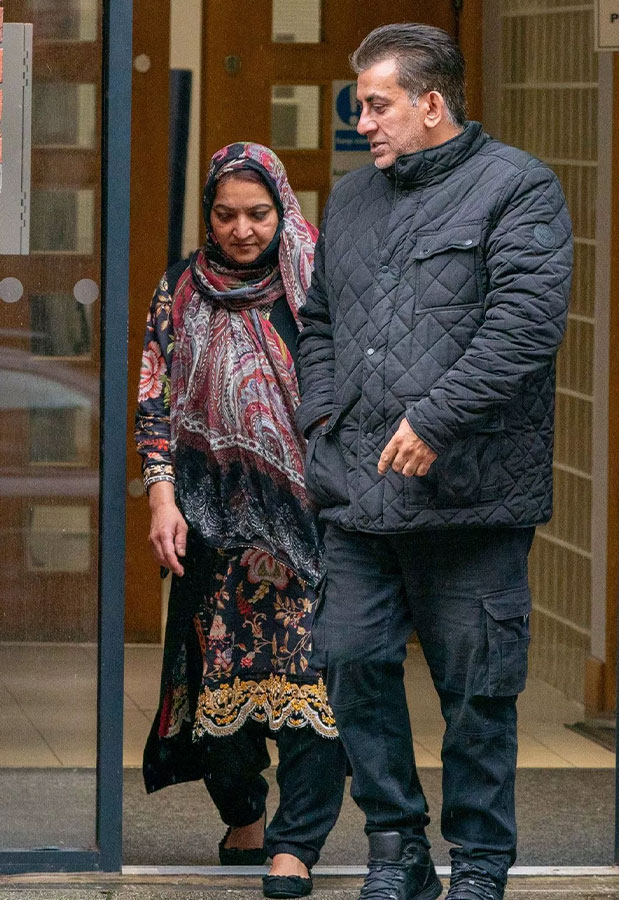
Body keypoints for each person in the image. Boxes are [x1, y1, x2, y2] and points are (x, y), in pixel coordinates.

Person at [296, 23, 573, 900]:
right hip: (359, 492)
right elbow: (319, 325)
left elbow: (524, 325)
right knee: (348, 660)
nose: (364, 121)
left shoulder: (518, 188)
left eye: (376, 105)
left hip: (470, 496)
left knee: (477, 696)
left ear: (431, 103)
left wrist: (437, 420)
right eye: (361, 106)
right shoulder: (349, 199)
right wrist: (321, 415)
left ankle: (481, 865)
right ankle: (396, 849)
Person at [135, 142, 346, 899]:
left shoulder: (315, 283)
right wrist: (162, 496)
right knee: (218, 689)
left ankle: (296, 846)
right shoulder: (181, 290)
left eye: (258, 214)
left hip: (309, 526)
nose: (242, 230)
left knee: (310, 688)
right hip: (212, 520)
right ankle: (245, 811)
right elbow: (154, 399)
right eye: (225, 215)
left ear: (283, 209)